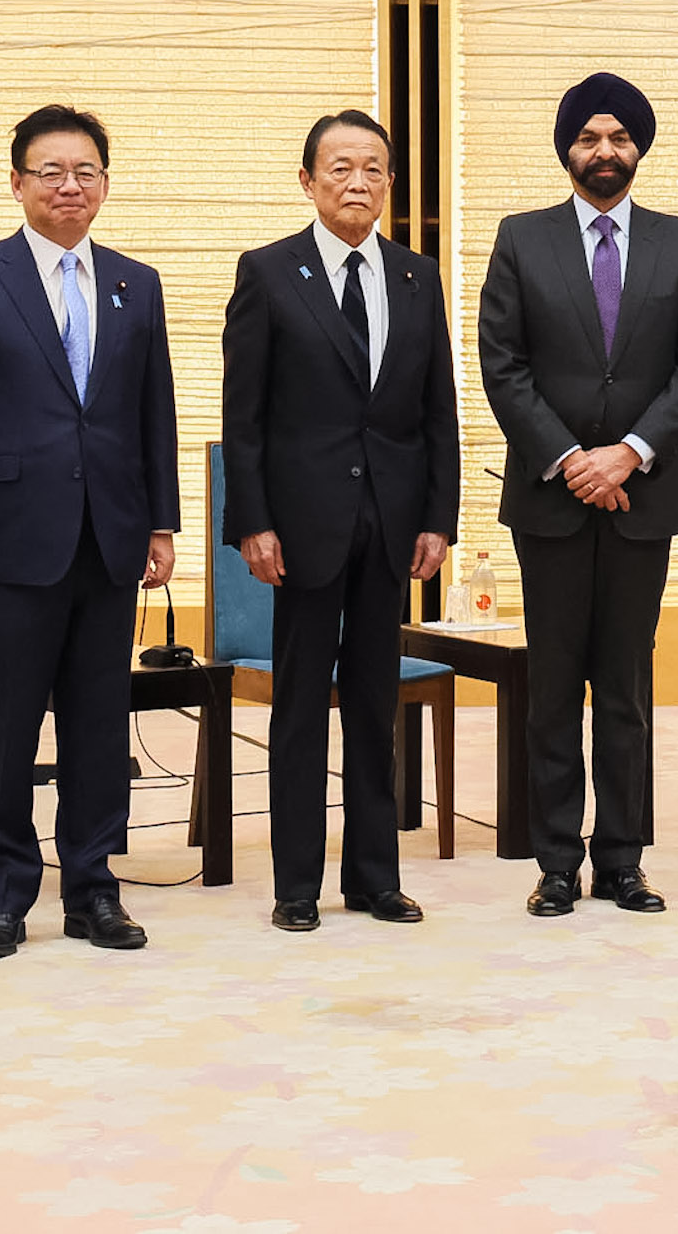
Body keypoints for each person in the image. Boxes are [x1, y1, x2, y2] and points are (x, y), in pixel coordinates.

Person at [0, 105, 179, 960]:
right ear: (18, 183)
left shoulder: (136, 283)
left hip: (110, 534)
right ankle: (1, 896)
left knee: (99, 722)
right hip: (10, 536)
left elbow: (153, 412)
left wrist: (161, 522)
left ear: (104, 183)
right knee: (10, 722)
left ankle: (94, 887)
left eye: (85, 172)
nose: (70, 186)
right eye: (51, 171)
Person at [478, 72, 678, 917]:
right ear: (567, 150)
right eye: (588, 138)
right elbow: (503, 365)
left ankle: (622, 859)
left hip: (641, 497)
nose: (605, 151)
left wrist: (628, 454)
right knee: (552, 688)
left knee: (625, 688)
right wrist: (570, 458)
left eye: (619, 137)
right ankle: (555, 862)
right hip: (550, 499)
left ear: (639, 148)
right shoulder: (522, 238)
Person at [222, 110, 459, 933]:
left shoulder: (417, 276)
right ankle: (296, 885)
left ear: (390, 183)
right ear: (308, 180)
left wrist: (438, 517)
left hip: (392, 521)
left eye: (373, 169)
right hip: (300, 526)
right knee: (298, 708)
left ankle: (373, 877)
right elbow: (244, 414)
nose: (358, 182)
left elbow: (437, 408)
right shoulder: (268, 272)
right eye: (340, 168)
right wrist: (252, 521)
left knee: (372, 703)